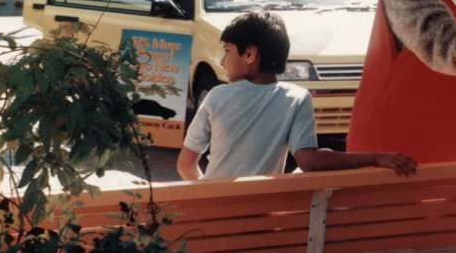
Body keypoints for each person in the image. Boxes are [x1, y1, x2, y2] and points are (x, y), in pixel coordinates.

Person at [177, 10, 418, 180]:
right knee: (325, 154)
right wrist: (375, 157)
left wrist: (209, 190)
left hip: (215, 210)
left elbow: (186, 165)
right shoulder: (297, 98)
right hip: (265, 217)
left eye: (227, 51)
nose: (222, 61)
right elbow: (310, 162)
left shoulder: (218, 97)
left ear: (250, 54)